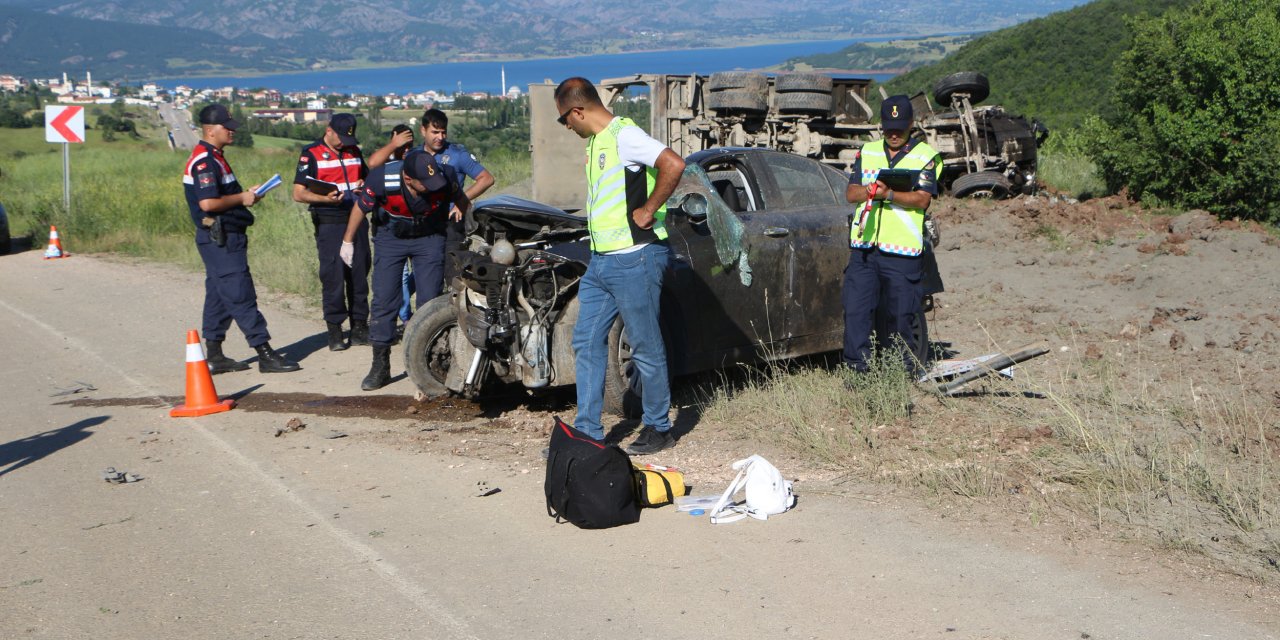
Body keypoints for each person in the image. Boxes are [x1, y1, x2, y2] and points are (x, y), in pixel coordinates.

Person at [554, 77, 686, 455]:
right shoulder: (597, 142)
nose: (566, 126)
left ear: (577, 111)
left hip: (635, 256)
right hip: (601, 261)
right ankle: (588, 433)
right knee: (586, 341)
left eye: (565, 118)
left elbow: (673, 164)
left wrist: (648, 210)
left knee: (644, 344)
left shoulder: (623, 135)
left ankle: (659, 427)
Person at [182, 104, 300, 374]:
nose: (233, 131)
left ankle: (214, 354)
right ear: (211, 131)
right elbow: (209, 203)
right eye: (228, 127)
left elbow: (220, 198)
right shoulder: (205, 162)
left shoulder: (215, 156)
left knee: (219, 294)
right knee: (240, 293)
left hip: (223, 236)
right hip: (220, 238)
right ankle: (265, 353)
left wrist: (247, 195)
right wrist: (243, 198)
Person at [341, 148, 472, 391]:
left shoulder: (444, 176)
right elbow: (360, 208)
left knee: (429, 301)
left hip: (430, 236)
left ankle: (431, 364)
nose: (434, 186)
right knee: (384, 299)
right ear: (408, 179)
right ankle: (380, 365)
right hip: (391, 237)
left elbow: (463, 200)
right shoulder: (382, 178)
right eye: (427, 183)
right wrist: (347, 241)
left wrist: (465, 218)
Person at [368, 109, 495, 329]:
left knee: (451, 276)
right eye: (435, 132)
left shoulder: (457, 155)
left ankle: (448, 326)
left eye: (443, 132)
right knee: (421, 277)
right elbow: (375, 166)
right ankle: (415, 323)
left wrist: (460, 202)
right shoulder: (414, 156)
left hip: (449, 224)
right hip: (421, 226)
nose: (440, 137)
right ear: (423, 130)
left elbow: (486, 178)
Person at [842, 95, 942, 375]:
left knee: (899, 317)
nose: (894, 133)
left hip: (902, 252)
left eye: (900, 127)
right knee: (856, 312)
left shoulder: (925, 157)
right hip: (864, 248)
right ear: (881, 126)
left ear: (912, 124)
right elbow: (851, 193)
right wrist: (870, 191)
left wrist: (891, 195)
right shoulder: (868, 151)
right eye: (889, 127)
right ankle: (857, 373)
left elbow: (923, 200)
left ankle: (901, 374)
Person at [292, 113, 370, 352]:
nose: (344, 143)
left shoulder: (353, 151)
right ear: (329, 130)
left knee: (359, 272)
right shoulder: (311, 153)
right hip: (329, 220)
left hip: (356, 217)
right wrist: (324, 198)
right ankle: (335, 330)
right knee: (333, 275)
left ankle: (359, 328)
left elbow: (367, 179)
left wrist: (362, 188)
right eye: (340, 138)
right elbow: (298, 193)